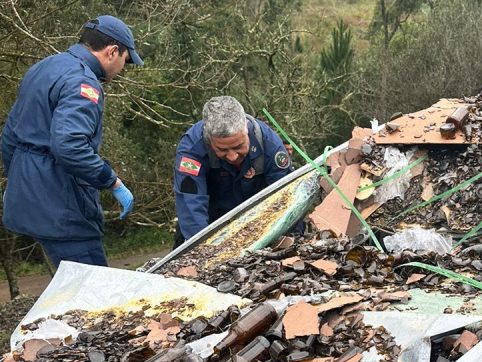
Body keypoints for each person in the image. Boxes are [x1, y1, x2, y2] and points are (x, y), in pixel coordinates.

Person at [1, 15, 143, 268]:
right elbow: (70, 145)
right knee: (91, 290)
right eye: (125, 60)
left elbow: (10, 136)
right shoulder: (83, 82)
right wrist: (111, 180)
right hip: (62, 206)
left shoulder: (43, 67)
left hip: (28, 199)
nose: (123, 69)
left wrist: (21, 181)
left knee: (66, 285)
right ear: (112, 52)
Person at [173, 96, 293, 246]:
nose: (232, 156)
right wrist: (202, 250)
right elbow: (191, 206)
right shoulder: (191, 151)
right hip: (210, 224)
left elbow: (287, 200)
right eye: (222, 149)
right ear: (209, 139)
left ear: (246, 130)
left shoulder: (270, 146)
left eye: (238, 146)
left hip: (259, 223)